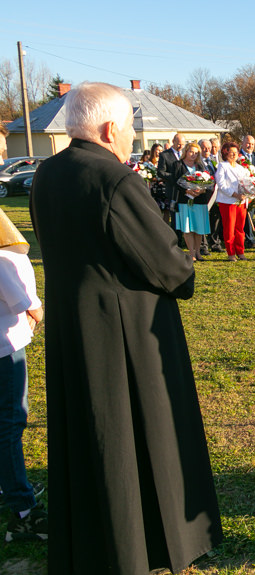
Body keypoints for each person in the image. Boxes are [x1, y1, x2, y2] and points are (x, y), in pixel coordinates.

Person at [29, 81, 222, 575]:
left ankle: (93, 544)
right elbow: (168, 266)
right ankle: (140, 548)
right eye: (129, 131)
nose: (130, 140)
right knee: (131, 437)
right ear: (111, 127)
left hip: (74, 327)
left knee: (90, 435)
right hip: (126, 332)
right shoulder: (113, 180)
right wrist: (185, 268)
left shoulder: (46, 174)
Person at [0, 209, 47, 542]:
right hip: (5, 345)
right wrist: (37, 309)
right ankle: (22, 511)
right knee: (9, 422)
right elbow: (21, 301)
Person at [173, 142, 212, 261]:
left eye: (196, 153)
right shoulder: (178, 164)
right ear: (186, 151)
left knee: (199, 227)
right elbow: (175, 182)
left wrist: (201, 190)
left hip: (199, 200)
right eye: (191, 152)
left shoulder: (200, 165)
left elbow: (207, 180)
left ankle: (198, 252)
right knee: (188, 227)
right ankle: (191, 253)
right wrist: (187, 191)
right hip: (185, 200)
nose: (193, 155)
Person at [216, 141, 252, 261]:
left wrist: (249, 192)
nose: (233, 155)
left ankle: (240, 251)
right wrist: (235, 194)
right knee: (229, 228)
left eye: (235, 152)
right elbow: (221, 184)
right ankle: (231, 253)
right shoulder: (222, 166)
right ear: (225, 153)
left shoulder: (241, 167)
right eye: (231, 152)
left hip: (241, 202)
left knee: (240, 228)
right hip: (228, 201)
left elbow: (247, 182)